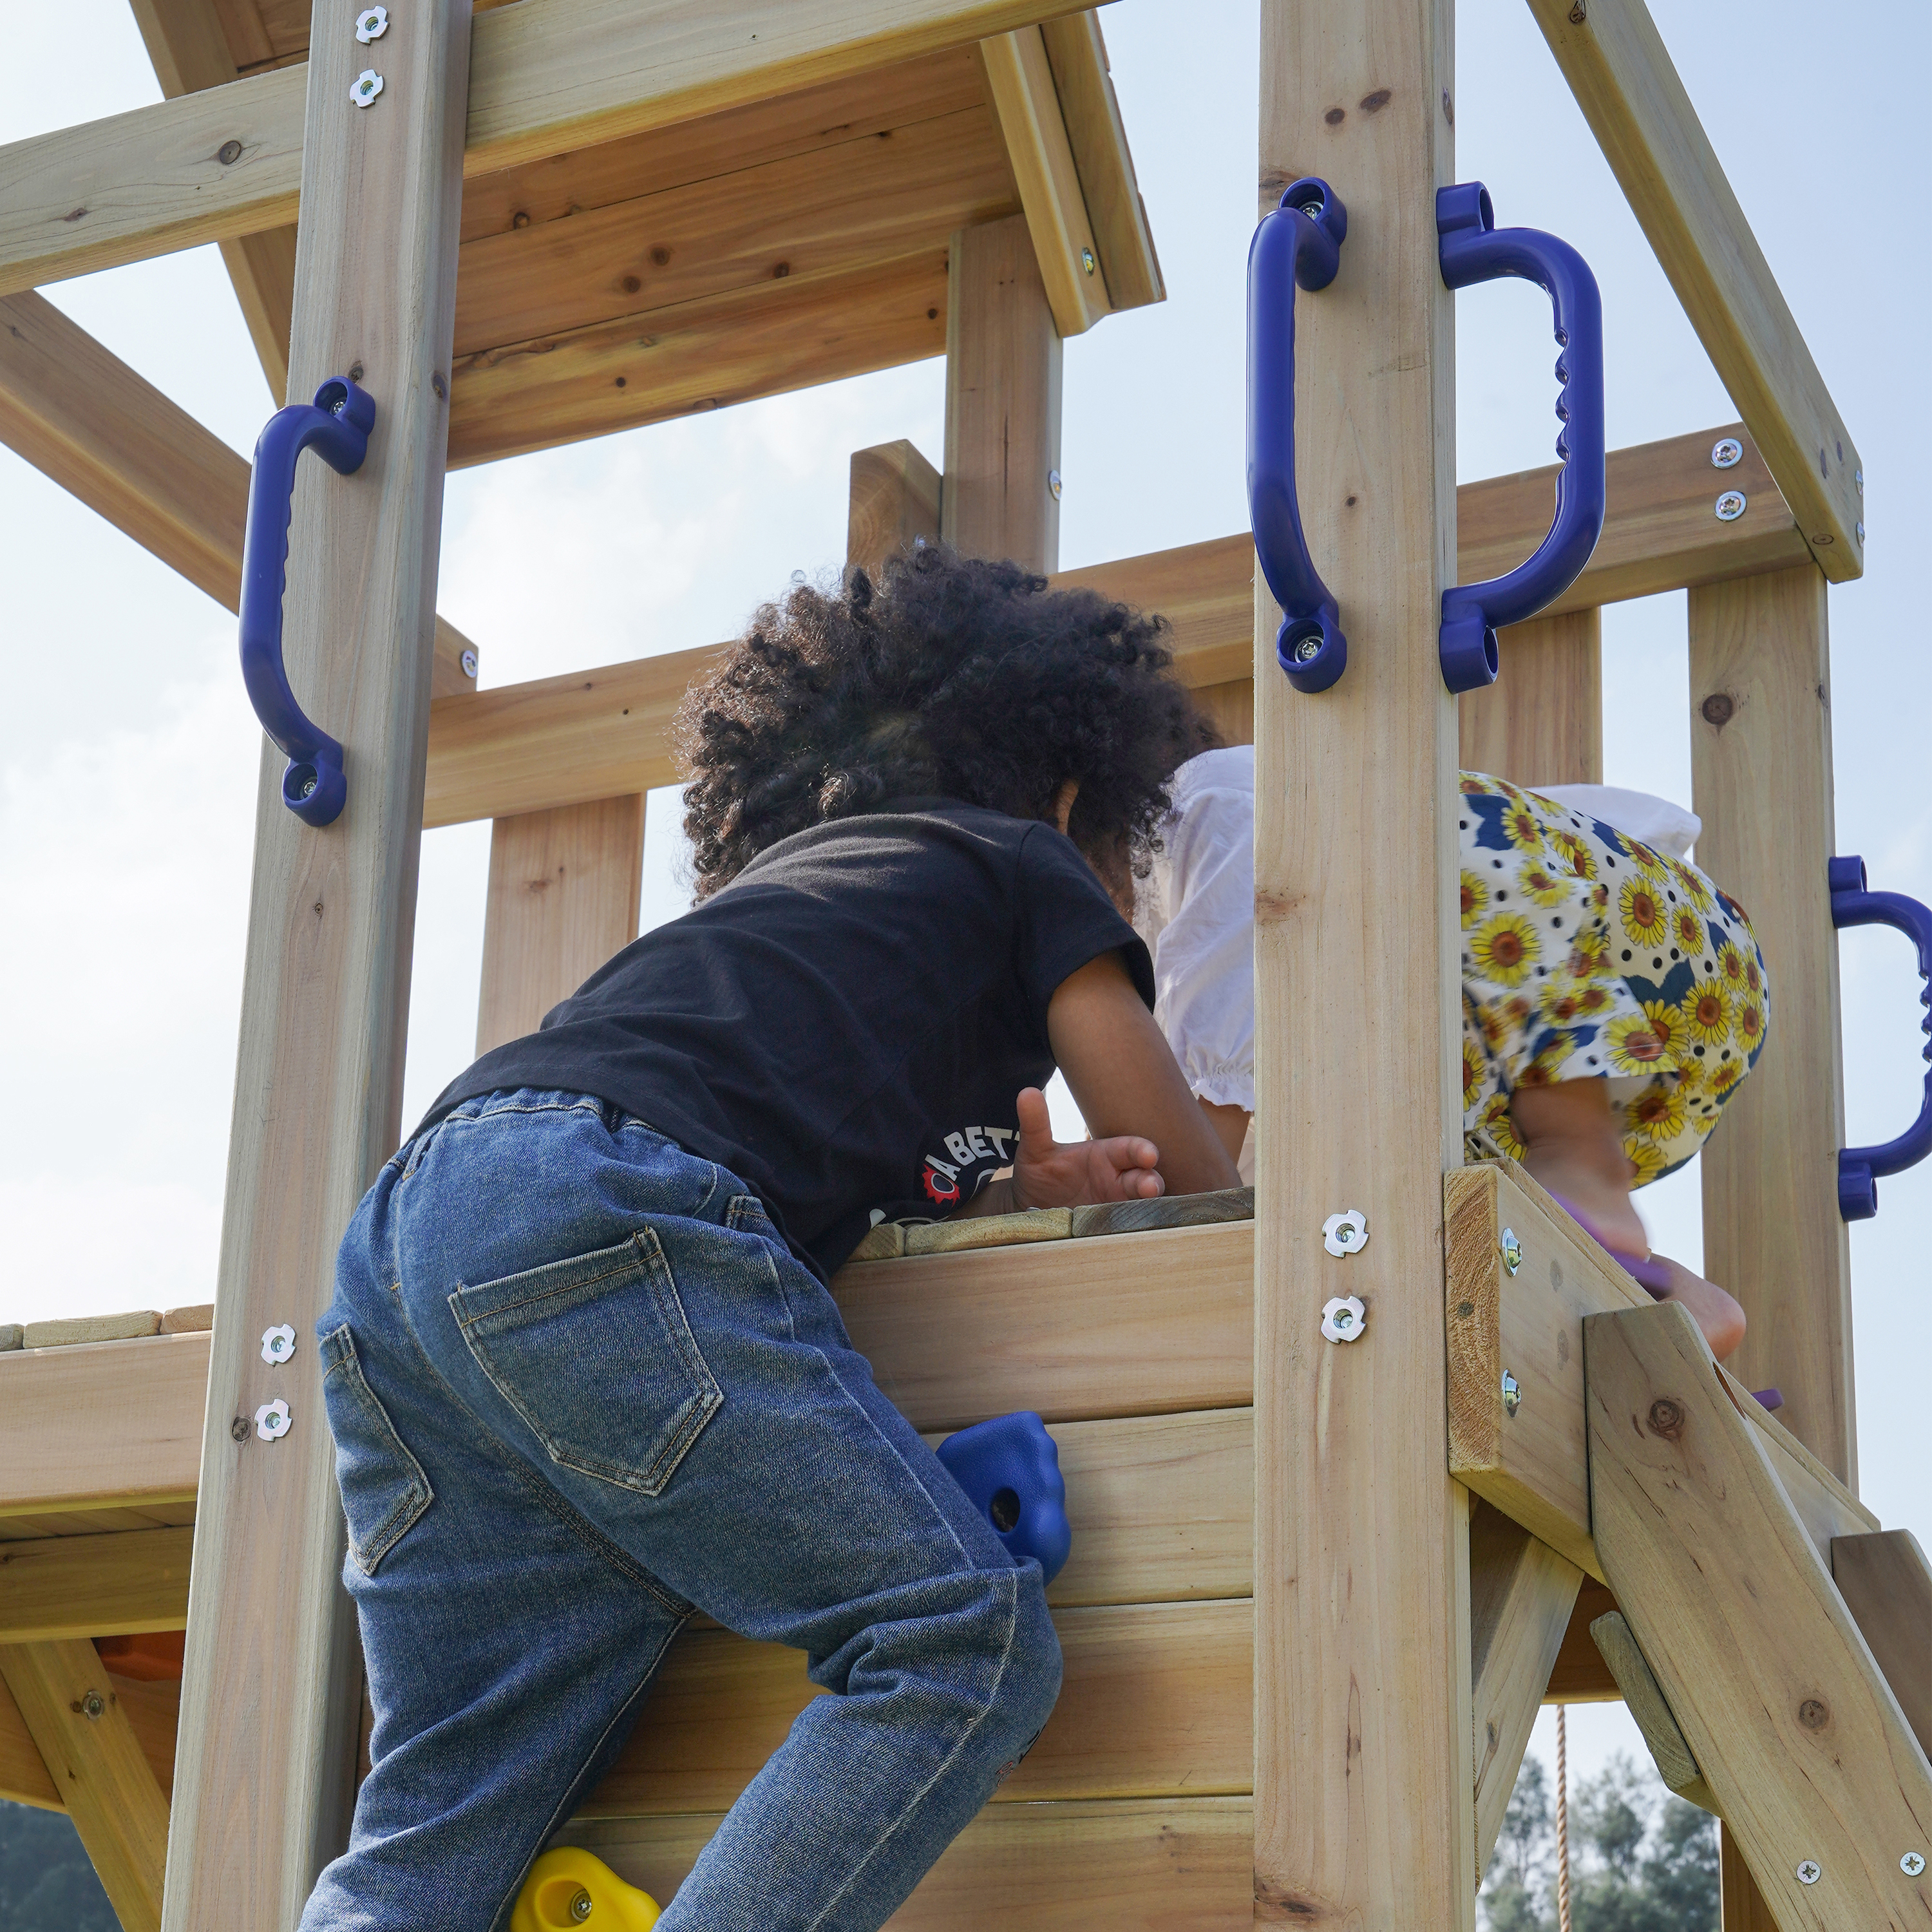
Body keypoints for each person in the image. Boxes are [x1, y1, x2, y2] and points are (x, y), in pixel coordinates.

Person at [301, 548, 1241, 1932]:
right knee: (950, 1644)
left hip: (411, 1243)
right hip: (609, 1207)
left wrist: (1021, 1196)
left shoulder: (793, 926)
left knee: (444, 1813)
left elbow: (830, 1161)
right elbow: (1199, 1188)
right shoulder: (1019, 858)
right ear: (1064, 794)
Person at [1136, 746, 1761, 1358]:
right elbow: (1244, 1175)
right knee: (1400, 1203)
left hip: (1662, 955)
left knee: (1434, 838)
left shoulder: (1203, 802)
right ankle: (1661, 1296)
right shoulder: (1174, 966)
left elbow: (1202, 1166)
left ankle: (1580, 1147)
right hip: (1606, 1082)